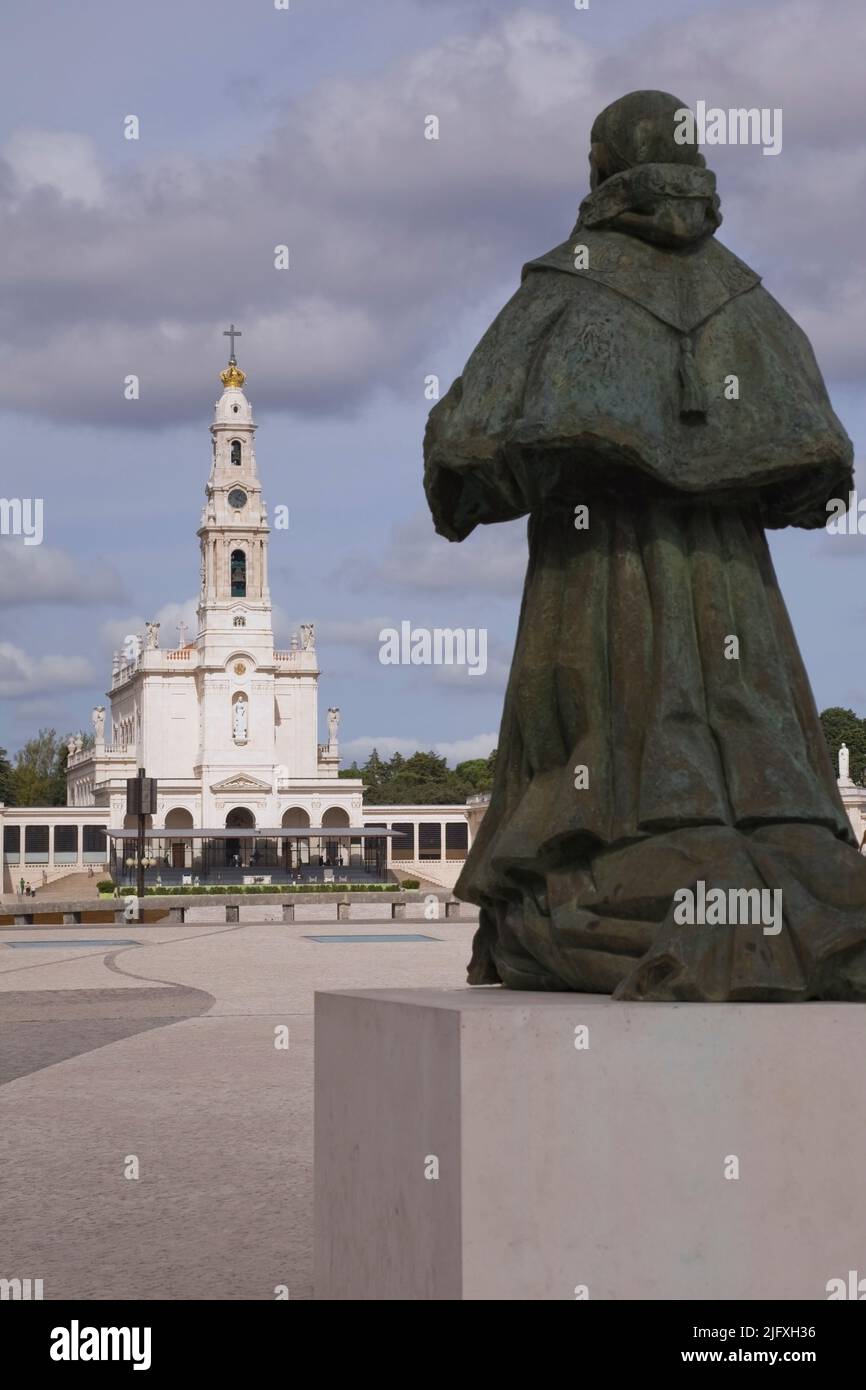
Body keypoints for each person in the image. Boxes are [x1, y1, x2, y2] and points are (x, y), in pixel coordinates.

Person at [424, 89, 866, 1002]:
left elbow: (463, 447)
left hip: (598, 576)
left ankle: (639, 857)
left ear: (600, 169)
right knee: (751, 741)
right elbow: (815, 449)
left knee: (610, 753)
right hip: (733, 579)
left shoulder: (571, 280)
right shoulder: (744, 290)